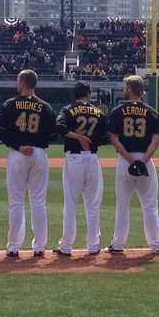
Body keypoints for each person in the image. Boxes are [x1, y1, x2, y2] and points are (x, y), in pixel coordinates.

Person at [0, 69, 57, 258]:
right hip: (38, 153)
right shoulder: (45, 106)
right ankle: (39, 247)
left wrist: (19, 145)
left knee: (16, 202)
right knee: (38, 202)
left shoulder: (10, 104)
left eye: (18, 80)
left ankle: (13, 247)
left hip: (18, 154)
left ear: (22, 83)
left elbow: (0, 131)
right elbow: (52, 136)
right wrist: (35, 141)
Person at [106, 75, 159, 254]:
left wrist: (131, 160)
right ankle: (156, 245)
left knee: (122, 204)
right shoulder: (151, 112)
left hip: (125, 161)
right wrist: (143, 161)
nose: (125, 88)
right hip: (145, 161)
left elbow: (114, 139)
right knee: (150, 205)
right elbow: (156, 140)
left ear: (130, 89)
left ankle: (118, 245)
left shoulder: (117, 111)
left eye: (126, 86)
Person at [55, 81, 107, 256]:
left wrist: (77, 136)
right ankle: (93, 245)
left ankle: (66, 246)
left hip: (74, 158)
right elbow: (105, 135)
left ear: (74, 94)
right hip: (92, 159)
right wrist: (88, 139)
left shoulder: (67, 109)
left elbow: (60, 127)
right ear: (88, 93)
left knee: (70, 203)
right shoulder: (98, 111)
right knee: (93, 204)